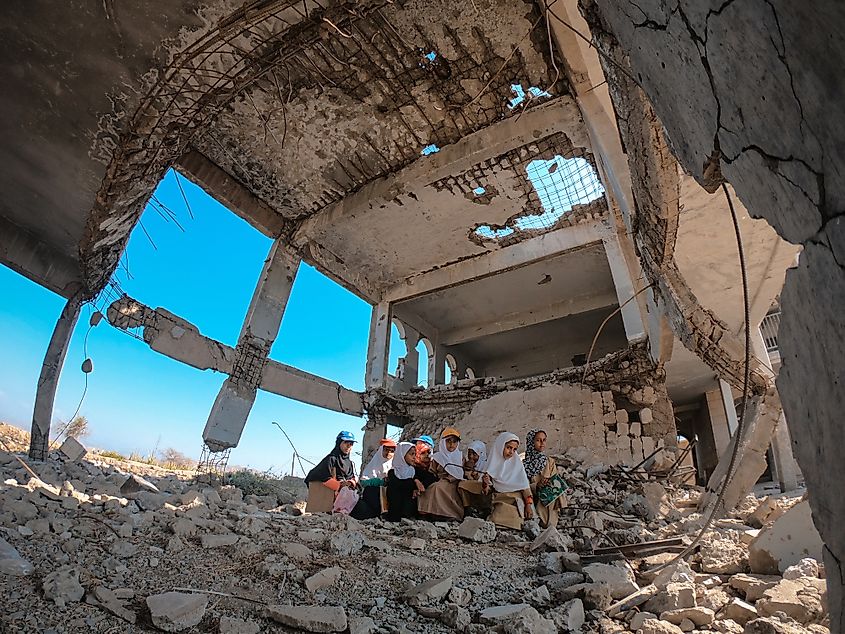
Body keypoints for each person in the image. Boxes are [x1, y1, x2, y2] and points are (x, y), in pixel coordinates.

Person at [482, 432, 533, 530]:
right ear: (500, 446)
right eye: (509, 448)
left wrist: (528, 505)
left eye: (514, 449)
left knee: (515, 521)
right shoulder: (491, 466)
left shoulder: (517, 465)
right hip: (500, 500)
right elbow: (486, 492)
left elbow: (525, 488)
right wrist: (485, 484)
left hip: (515, 501)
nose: (511, 452)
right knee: (496, 518)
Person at [304, 431, 357, 513]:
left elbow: (352, 477)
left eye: (351, 444)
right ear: (339, 443)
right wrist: (339, 486)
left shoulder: (349, 463)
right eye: (346, 443)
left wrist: (350, 483)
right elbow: (322, 476)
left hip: (346, 496)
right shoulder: (331, 459)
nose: (348, 446)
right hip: (331, 496)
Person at [418, 427, 465, 521]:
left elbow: (464, 471)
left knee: (438, 488)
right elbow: (432, 472)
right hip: (440, 480)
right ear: (443, 442)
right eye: (448, 441)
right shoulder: (438, 457)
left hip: (455, 481)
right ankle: (430, 513)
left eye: (454, 441)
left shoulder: (460, 457)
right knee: (431, 487)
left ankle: (451, 514)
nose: (451, 444)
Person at [524, 429, 567, 528]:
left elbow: (554, 479)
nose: (542, 443)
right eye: (538, 440)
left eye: (544, 440)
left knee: (551, 494)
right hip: (532, 496)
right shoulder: (524, 464)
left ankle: (550, 522)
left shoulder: (549, 462)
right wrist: (536, 485)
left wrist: (547, 482)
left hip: (548, 494)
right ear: (531, 442)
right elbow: (523, 485)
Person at [384, 442, 436, 522]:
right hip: (396, 510)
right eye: (411, 454)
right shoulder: (393, 472)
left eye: (415, 454)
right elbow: (399, 484)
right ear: (402, 454)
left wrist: (420, 486)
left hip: (410, 509)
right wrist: (415, 481)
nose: (414, 457)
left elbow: (431, 477)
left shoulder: (414, 470)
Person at [351, 439, 397, 520]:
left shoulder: (395, 465)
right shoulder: (374, 463)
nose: (388, 453)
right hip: (374, 496)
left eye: (392, 451)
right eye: (386, 450)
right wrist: (379, 482)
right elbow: (364, 482)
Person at [457, 439, 492, 517]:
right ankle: (467, 508)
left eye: (474, 454)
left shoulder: (486, 465)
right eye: (469, 453)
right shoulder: (467, 463)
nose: (471, 456)